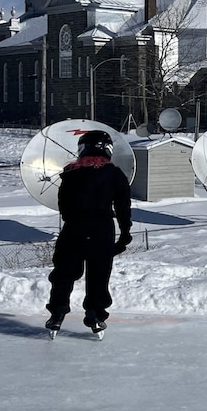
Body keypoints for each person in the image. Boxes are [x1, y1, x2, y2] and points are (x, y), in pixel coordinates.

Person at [44, 130, 133, 336]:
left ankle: (57, 314)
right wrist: (125, 233)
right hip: (102, 230)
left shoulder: (70, 172)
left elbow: (63, 206)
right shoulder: (115, 173)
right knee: (99, 275)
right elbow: (123, 206)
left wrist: (75, 221)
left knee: (64, 274)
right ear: (108, 149)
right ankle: (95, 315)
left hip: (74, 228)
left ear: (82, 148)